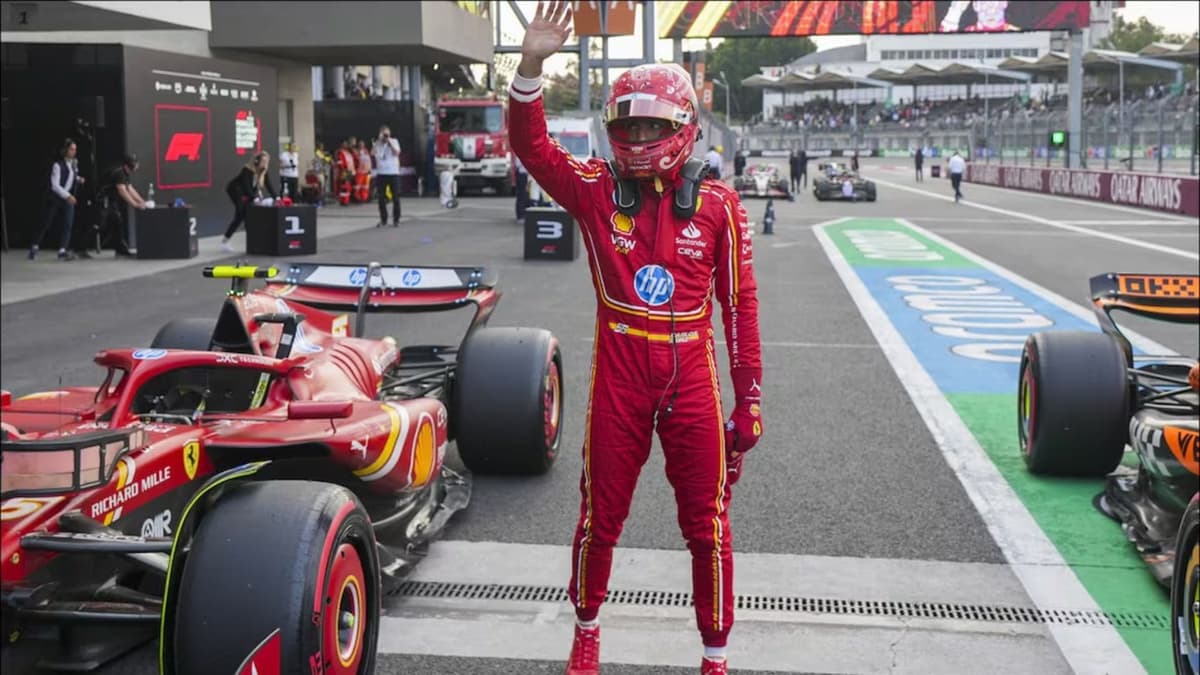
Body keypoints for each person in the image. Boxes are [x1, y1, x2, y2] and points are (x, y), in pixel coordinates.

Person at [510, 4, 763, 674]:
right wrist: (532, 63)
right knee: (599, 517)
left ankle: (715, 655)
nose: (640, 134)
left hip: (693, 379)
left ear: (682, 126)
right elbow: (532, 147)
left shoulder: (720, 206)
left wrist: (751, 397)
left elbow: (739, 308)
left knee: (707, 524)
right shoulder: (595, 190)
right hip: (621, 376)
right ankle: (586, 632)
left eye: (653, 123)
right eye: (629, 123)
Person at [30, 138, 83, 261]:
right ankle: (34, 247)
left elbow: (72, 176)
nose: (73, 152)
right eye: (71, 149)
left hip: (67, 197)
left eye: (75, 150)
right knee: (46, 223)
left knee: (68, 224)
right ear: (65, 150)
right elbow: (55, 185)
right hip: (56, 197)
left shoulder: (74, 163)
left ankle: (62, 250)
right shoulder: (57, 165)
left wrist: (79, 179)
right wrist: (68, 196)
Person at [220, 152, 276, 252]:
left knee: (249, 215)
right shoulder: (247, 170)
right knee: (241, 214)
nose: (265, 163)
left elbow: (269, 185)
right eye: (263, 161)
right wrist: (255, 198)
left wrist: (277, 197)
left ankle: (252, 242)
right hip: (236, 191)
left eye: (267, 161)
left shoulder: (264, 172)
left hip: (247, 193)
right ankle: (225, 242)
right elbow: (246, 187)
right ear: (256, 161)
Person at [96, 153, 144, 257]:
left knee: (118, 222)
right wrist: (135, 205)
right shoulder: (119, 173)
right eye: (134, 164)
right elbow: (122, 191)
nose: (136, 166)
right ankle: (79, 247)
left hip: (111, 200)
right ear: (128, 165)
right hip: (102, 199)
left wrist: (141, 201)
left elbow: (130, 189)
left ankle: (120, 249)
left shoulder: (125, 173)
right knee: (100, 224)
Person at [373, 125, 402, 226]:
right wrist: (378, 141)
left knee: (396, 198)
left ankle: (396, 219)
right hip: (381, 173)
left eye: (387, 134)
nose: (385, 136)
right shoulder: (377, 143)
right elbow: (373, 153)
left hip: (393, 173)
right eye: (383, 134)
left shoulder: (394, 141)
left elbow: (397, 153)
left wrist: (389, 142)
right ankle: (383, 219)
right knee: (381, 198)